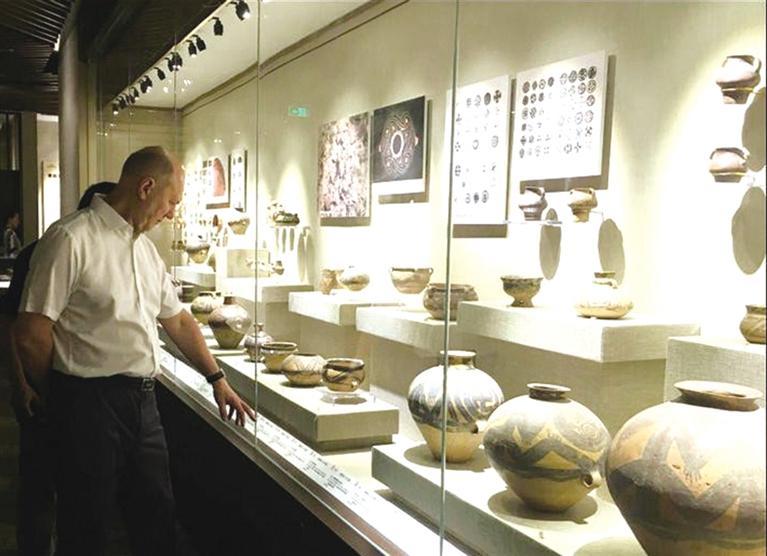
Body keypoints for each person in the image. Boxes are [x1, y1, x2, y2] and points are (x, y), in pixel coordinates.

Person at [14, 146, 255, 556]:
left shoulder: (144, 249)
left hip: (144, 404)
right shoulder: (71, 238)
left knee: (156, 518)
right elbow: (31, 331)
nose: (172, 213)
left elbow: (178, 321)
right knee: (86, 525)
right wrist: (61, 393)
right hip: (88, 403)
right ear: (146, 187)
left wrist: (217, 378)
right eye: (171, 201)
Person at [0, 182, 117, 556]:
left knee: (78, 487)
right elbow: (14, 326)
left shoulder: (112, 254)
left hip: (83, 396)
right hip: (46, 388)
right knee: (38, 481)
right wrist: (21, 384)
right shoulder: (45, 251)